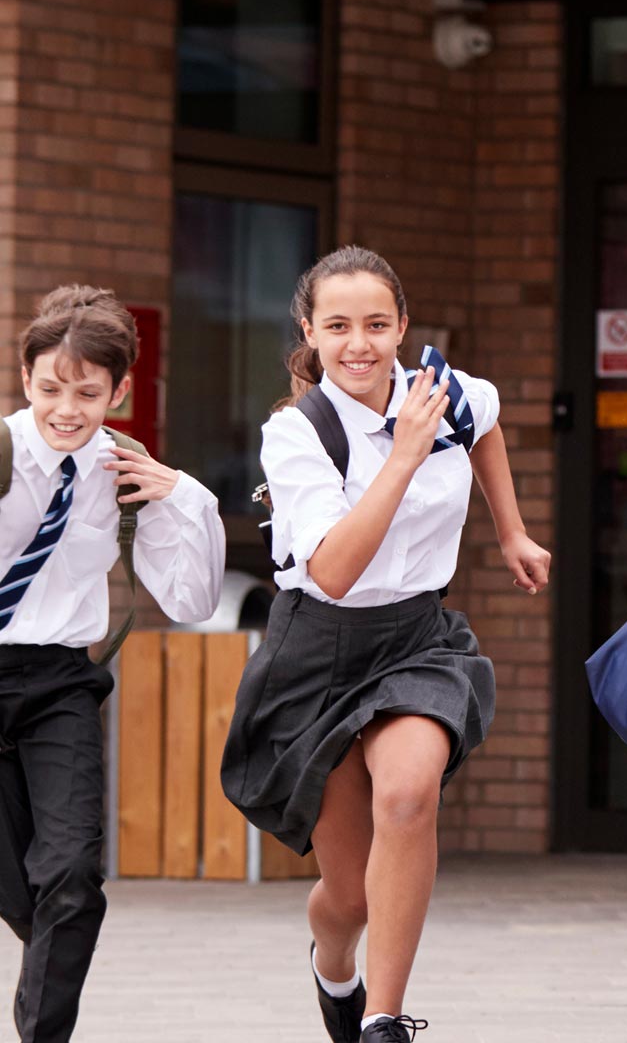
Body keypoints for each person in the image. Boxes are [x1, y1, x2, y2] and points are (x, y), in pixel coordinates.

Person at [221, 246, 550, 1042]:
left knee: (408, 793)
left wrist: (511, 531)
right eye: (338, 326)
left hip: (418, 636)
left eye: (376, 323)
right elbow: (332, 570)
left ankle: (384, 1019)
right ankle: (335, 963)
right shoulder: (296, 435)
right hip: (319, 649)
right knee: (350, 895)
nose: (359, 343)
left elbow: (487, 427)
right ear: (310, 330)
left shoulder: (447, 393)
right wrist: (402, 457)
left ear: (403, 324)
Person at [0, 285, 224, 1042]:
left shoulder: (126, 472)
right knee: (28, 894)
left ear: (119, 391)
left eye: (88, 393)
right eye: (50, 388)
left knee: (70, 879)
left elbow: (191, 601)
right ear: (24, 376)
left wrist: (182, 499)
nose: (67, 409)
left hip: (59, 684)